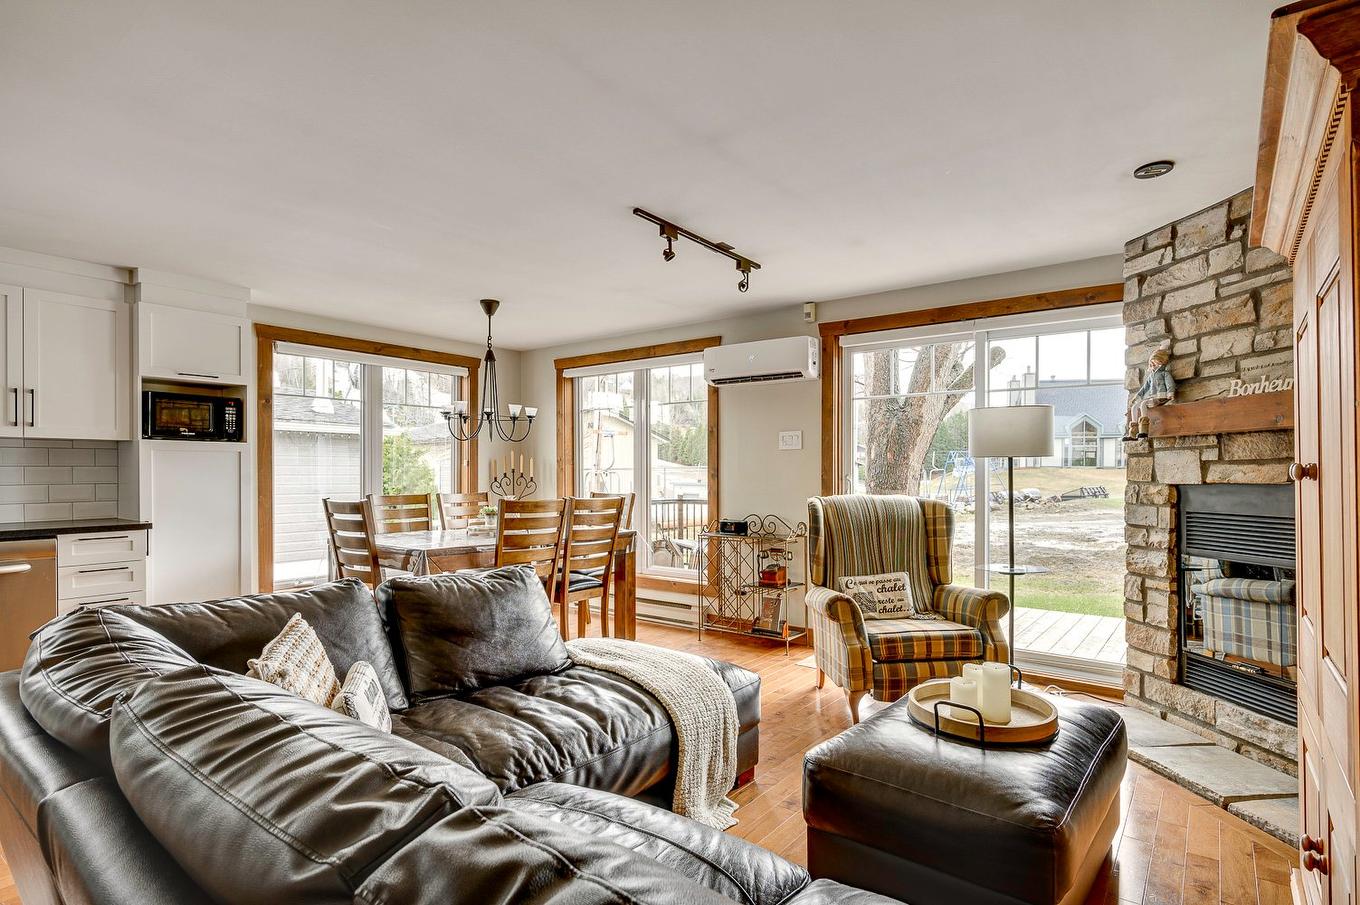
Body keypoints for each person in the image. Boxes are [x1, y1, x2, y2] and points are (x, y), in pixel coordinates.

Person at [1125, 341, 1176, 439]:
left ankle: (1144, 430)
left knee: (1143, 404)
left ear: (1161, 361)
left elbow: (1170, 383)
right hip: (1152, 397)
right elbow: (1144, 388)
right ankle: (1133, 432)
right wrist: (1136, 397)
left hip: (1161, 397)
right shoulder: (1151, 376)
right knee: (1135, 407)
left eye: (1155, 362)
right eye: (1151, 362)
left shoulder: (1164, 374)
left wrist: (1170, 393)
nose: (1152, 364)